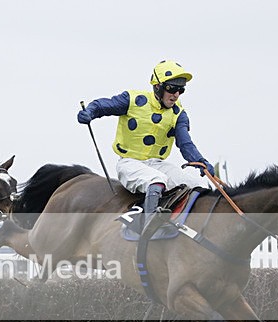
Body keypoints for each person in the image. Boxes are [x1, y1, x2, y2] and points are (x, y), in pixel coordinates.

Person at [77, 59, 215, 233]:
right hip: (130, 163)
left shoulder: (179, 113)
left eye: (181, 90)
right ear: (157, 86)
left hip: (158, 164)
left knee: (197, 185)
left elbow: (185, 143)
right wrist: (89, 111)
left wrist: (200, 161)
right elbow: (103, 106)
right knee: (156, 180)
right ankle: (149, 224)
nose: (176, 95)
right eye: (172, 88)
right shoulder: (133, 100)